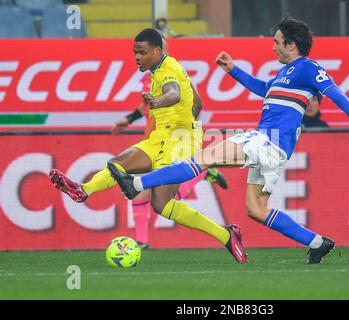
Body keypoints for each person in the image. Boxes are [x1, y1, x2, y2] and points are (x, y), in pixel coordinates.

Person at [108, 17, 349, 265]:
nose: (273, 47)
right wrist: (233, 70)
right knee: (256, 210)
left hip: (267, 141)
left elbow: (337, 95)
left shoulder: (307, 68)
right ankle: (317, 243)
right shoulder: (285, 74)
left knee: (206, 157)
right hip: (274, 149)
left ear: (291, 45)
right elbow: (263, 88)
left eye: (277, 42)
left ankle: (137, 183)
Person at [49, 28, 247, 263]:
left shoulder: (168, 72)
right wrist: (185, 116)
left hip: (179, 141)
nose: (137, 57)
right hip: (162, 136)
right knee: (117, 165)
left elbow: (172, 94)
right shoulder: (162, 68)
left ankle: (225, 235)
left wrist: (161, 105)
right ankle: (84, 190)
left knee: (161, 204)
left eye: (142, 53)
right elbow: (197, 102)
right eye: (135, 53)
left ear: (157, 51)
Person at [112, 40, 229, 249]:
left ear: (161, 52)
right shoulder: (152, 77)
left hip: (173, 140)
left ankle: (201, 173)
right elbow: (145, 106)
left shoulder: (174, 73)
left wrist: (186, 131)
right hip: (153, 138)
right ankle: (143, 240)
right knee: (149, 191)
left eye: (147, 51)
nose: (141, 56)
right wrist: (128, 119)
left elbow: (196, 102)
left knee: (157, 193)